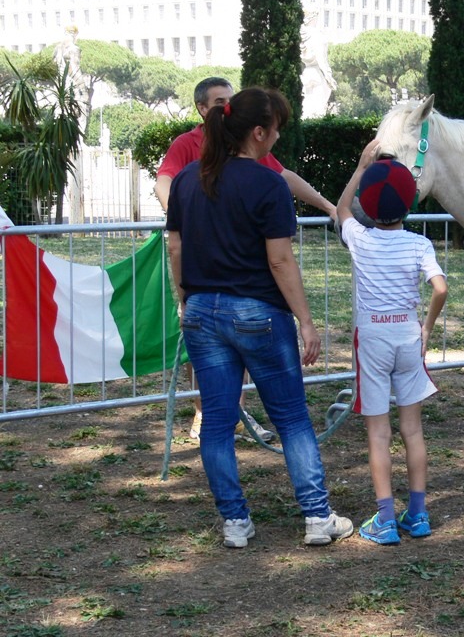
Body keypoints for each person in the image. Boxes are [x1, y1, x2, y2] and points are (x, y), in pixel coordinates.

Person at [165, 86, 352, 548]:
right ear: (257, 132)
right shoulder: (267, 183)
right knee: (291, 419)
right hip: (258, 312)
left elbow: (175, 245)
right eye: (276, 131)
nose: (277, 139)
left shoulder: (188, 179)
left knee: (216, 421)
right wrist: (306, 321)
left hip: (202, 312)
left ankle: (235, 522)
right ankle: (316, 517)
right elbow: (281, 262)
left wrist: (185, 296)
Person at [156, 77, 338, 444]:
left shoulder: (255, 162)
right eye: (222, 101)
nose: (229, 106)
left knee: (223, 411)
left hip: (210, 298)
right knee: (290, 418)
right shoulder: (188, 149)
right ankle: (206, 414)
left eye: (232, 100)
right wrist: (185, 216)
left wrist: (328, 206)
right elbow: (167, 186)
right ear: (203, 109)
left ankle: (225, 422)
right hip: (238, 299)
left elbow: (283, 175)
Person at [336, 140, 448, 545]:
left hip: (373, 341)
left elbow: (341, 210)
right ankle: (417, 514)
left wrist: (362, 165)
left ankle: (384, 518)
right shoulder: (420, 244)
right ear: (410, 203)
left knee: (378, 433)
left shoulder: (360, 238)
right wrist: (427, 328)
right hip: (407, 336)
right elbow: (439, 288)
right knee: (412, 430)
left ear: (370, 202)